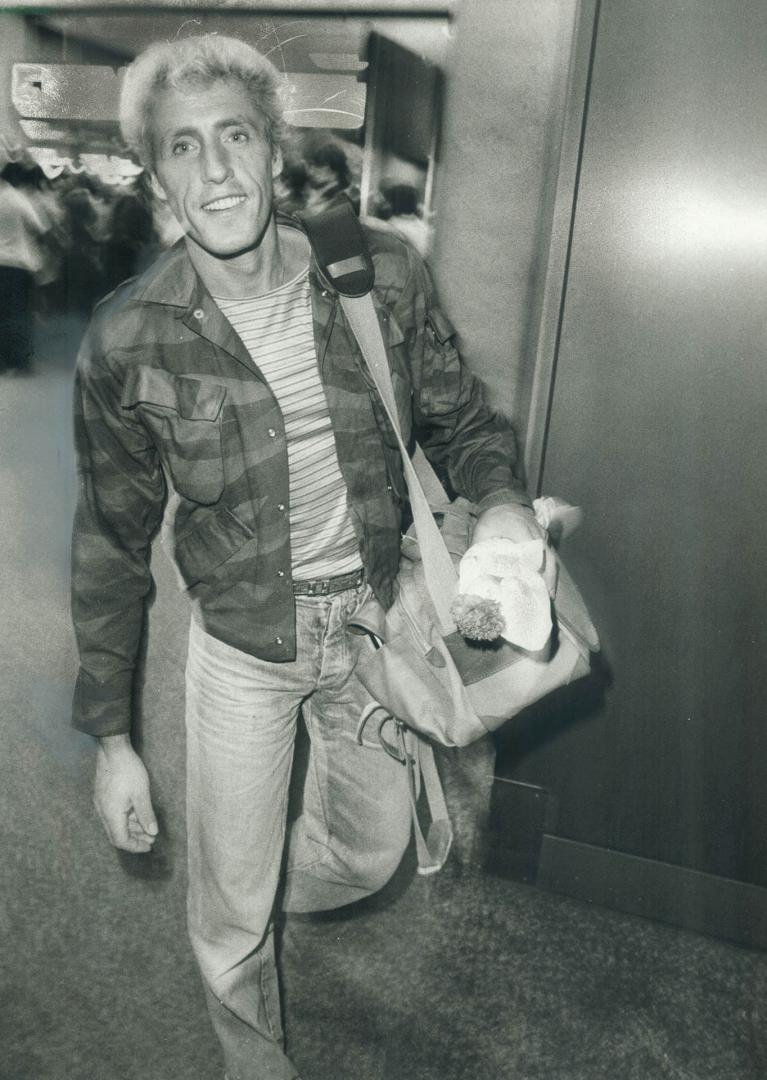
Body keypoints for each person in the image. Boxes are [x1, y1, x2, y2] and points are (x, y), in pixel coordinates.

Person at [71, 33, 543, 1080]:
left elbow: (461, 418)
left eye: (234, 136)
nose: (216, 171)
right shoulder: (126, 340)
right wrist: (111, 737)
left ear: (272, 146)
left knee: (367, 857)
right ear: (157, 176)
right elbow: (108, 544)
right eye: (183, 149)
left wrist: (501, 504)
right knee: (234, 918)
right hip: (243, 643)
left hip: (376, 620)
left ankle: (231, 895)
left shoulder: (370, 270)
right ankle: (250, 1040)